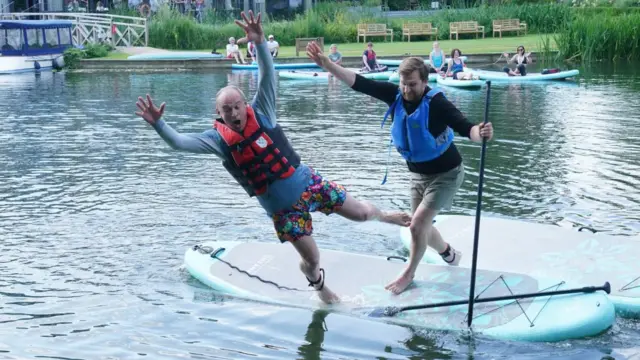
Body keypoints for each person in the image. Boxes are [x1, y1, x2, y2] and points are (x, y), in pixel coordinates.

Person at [135, 11, 412, 305]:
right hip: (284, 212)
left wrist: (259, 44)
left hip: (309, 183)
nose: (233, 113)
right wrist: (159, 125)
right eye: (226, 110)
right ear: (219, 114)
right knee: (312, 258)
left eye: (237, 106)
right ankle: (320, 289)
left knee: (362, 213)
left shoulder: (263, 111)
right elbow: (179, 143)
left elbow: (267, 74)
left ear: (245, 104)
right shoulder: (218, 141)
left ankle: (385, 215)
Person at [306, 41, 494, 295]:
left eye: (413, 84)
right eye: (404, 84)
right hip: (418, 176)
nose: (407, 90)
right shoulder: (394, 95)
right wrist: (328, 65)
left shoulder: (436, 103)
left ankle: (408, 273)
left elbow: (465, 126)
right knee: (420, 227)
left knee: (416, 226)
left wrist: (479, 133)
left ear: (425, 81)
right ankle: (449, 254)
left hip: (447, 174)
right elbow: (359, 83)